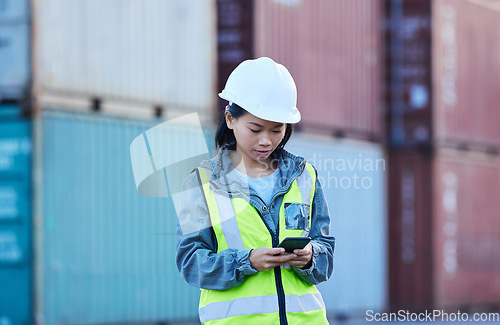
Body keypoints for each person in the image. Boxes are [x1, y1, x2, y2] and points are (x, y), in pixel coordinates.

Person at [175, 57, 335, 324]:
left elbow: (326, 253)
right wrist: (245, 261)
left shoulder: (305, 177)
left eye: (277, 130)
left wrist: (310, 257)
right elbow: (191, 263)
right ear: (230, 119)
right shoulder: (202, 183)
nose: (266, 140)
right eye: (255, 128)